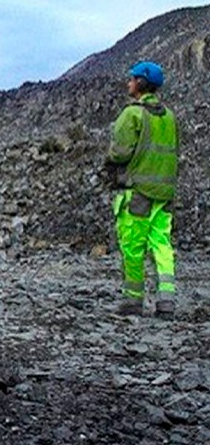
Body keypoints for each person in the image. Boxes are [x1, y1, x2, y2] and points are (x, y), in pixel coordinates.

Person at [105, 60, 178, 319]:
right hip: (164, 194)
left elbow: (119, 152)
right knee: (161, 244)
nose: (129, 83)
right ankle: (166, 301)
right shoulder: (169, 116)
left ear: (141, 83)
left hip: (137, 193)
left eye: (132, 79)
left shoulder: (132, 114)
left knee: (133, 246)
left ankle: (133, 301)